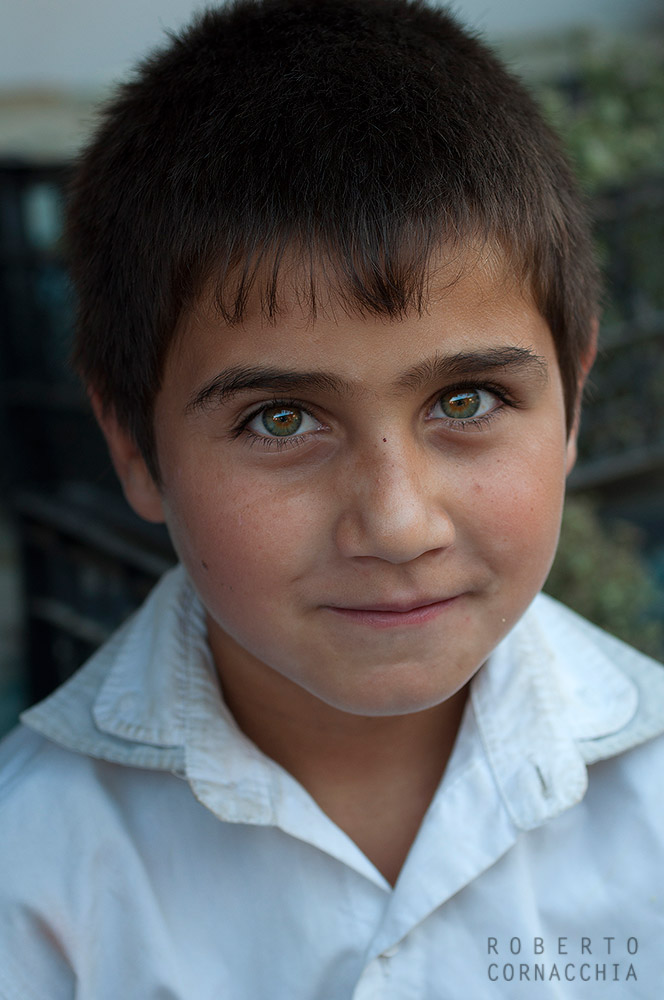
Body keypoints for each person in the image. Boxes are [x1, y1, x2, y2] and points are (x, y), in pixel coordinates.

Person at [1, 0, 662, 995]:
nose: (397, 524)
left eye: (467, 400)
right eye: (280, 419)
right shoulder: (32, 881)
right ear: (134, 444)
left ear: (571, 400)